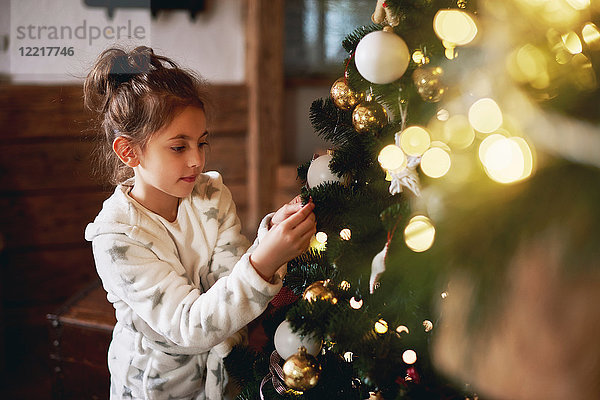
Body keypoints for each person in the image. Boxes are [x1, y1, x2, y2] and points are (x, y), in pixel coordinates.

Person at [83, 46, 316, 400]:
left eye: (201, 142)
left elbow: (230, 281)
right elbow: (190, 325)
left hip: (224, 381)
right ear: (129, 152)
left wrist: (271, 237)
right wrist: (267, 258)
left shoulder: (210, 194)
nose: (197, 160)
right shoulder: (116, 237)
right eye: (178, 147)